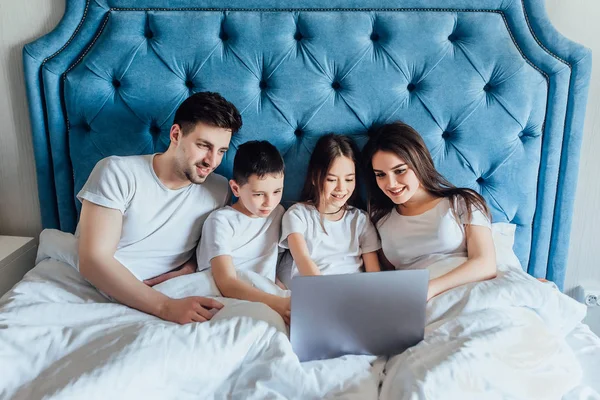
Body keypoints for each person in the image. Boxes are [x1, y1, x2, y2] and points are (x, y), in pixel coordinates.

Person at [77, 91, 242, 324]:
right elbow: (93, 261)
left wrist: (188, 268)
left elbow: (213, 245)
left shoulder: (220, 189)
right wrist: (165, 307)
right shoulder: (117, 172)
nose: (212, 161)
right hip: (103, 292)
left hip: (175, 291)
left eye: (221, 151)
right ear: (176, 134)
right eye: (204, 145)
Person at [362, 121, 497, 300]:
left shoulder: (461, 202)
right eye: (380, 175)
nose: (391, 184)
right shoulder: (379, 219)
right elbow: (385, 276)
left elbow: (485, 263)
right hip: (414, 302)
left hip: (468, 292)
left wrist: (430, 289)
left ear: (418, 162)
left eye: (400, 171)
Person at [196, 140, 290, 323]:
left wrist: (283, 294)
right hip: (226, 294)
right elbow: (226, 283)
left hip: (266, 294)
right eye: (258, 194)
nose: (269, 202)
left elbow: (271, 266)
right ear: (236, 188)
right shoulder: (221, 221)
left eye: (277, 191)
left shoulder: (278, 214)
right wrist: (278, 303)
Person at [279, 133, 381, 285]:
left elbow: (374, 274)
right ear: (314, 177)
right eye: (332, 179)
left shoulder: (360, 220)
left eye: (349, 179)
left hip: (355, 294)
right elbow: (303, 260)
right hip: (316, 290)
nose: (341, 188)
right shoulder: (298, 215)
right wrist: (327, 294)